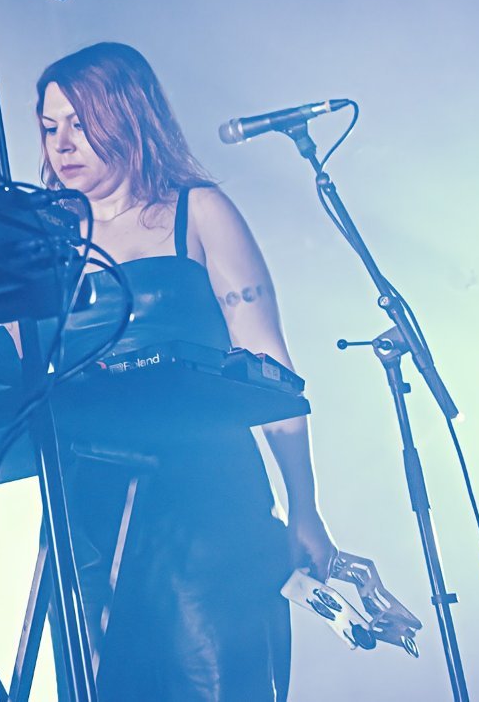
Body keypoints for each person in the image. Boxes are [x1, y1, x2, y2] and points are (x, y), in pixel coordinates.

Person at [35, 42, 334, 701]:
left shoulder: (197, 210)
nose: (63, 144)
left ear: (127, 116)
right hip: (92, 503)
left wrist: (303, 506)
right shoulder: (46, 236)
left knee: (218, 680)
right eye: (50, 126)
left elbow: (270, 362)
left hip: (206, 496)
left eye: (80, 123)